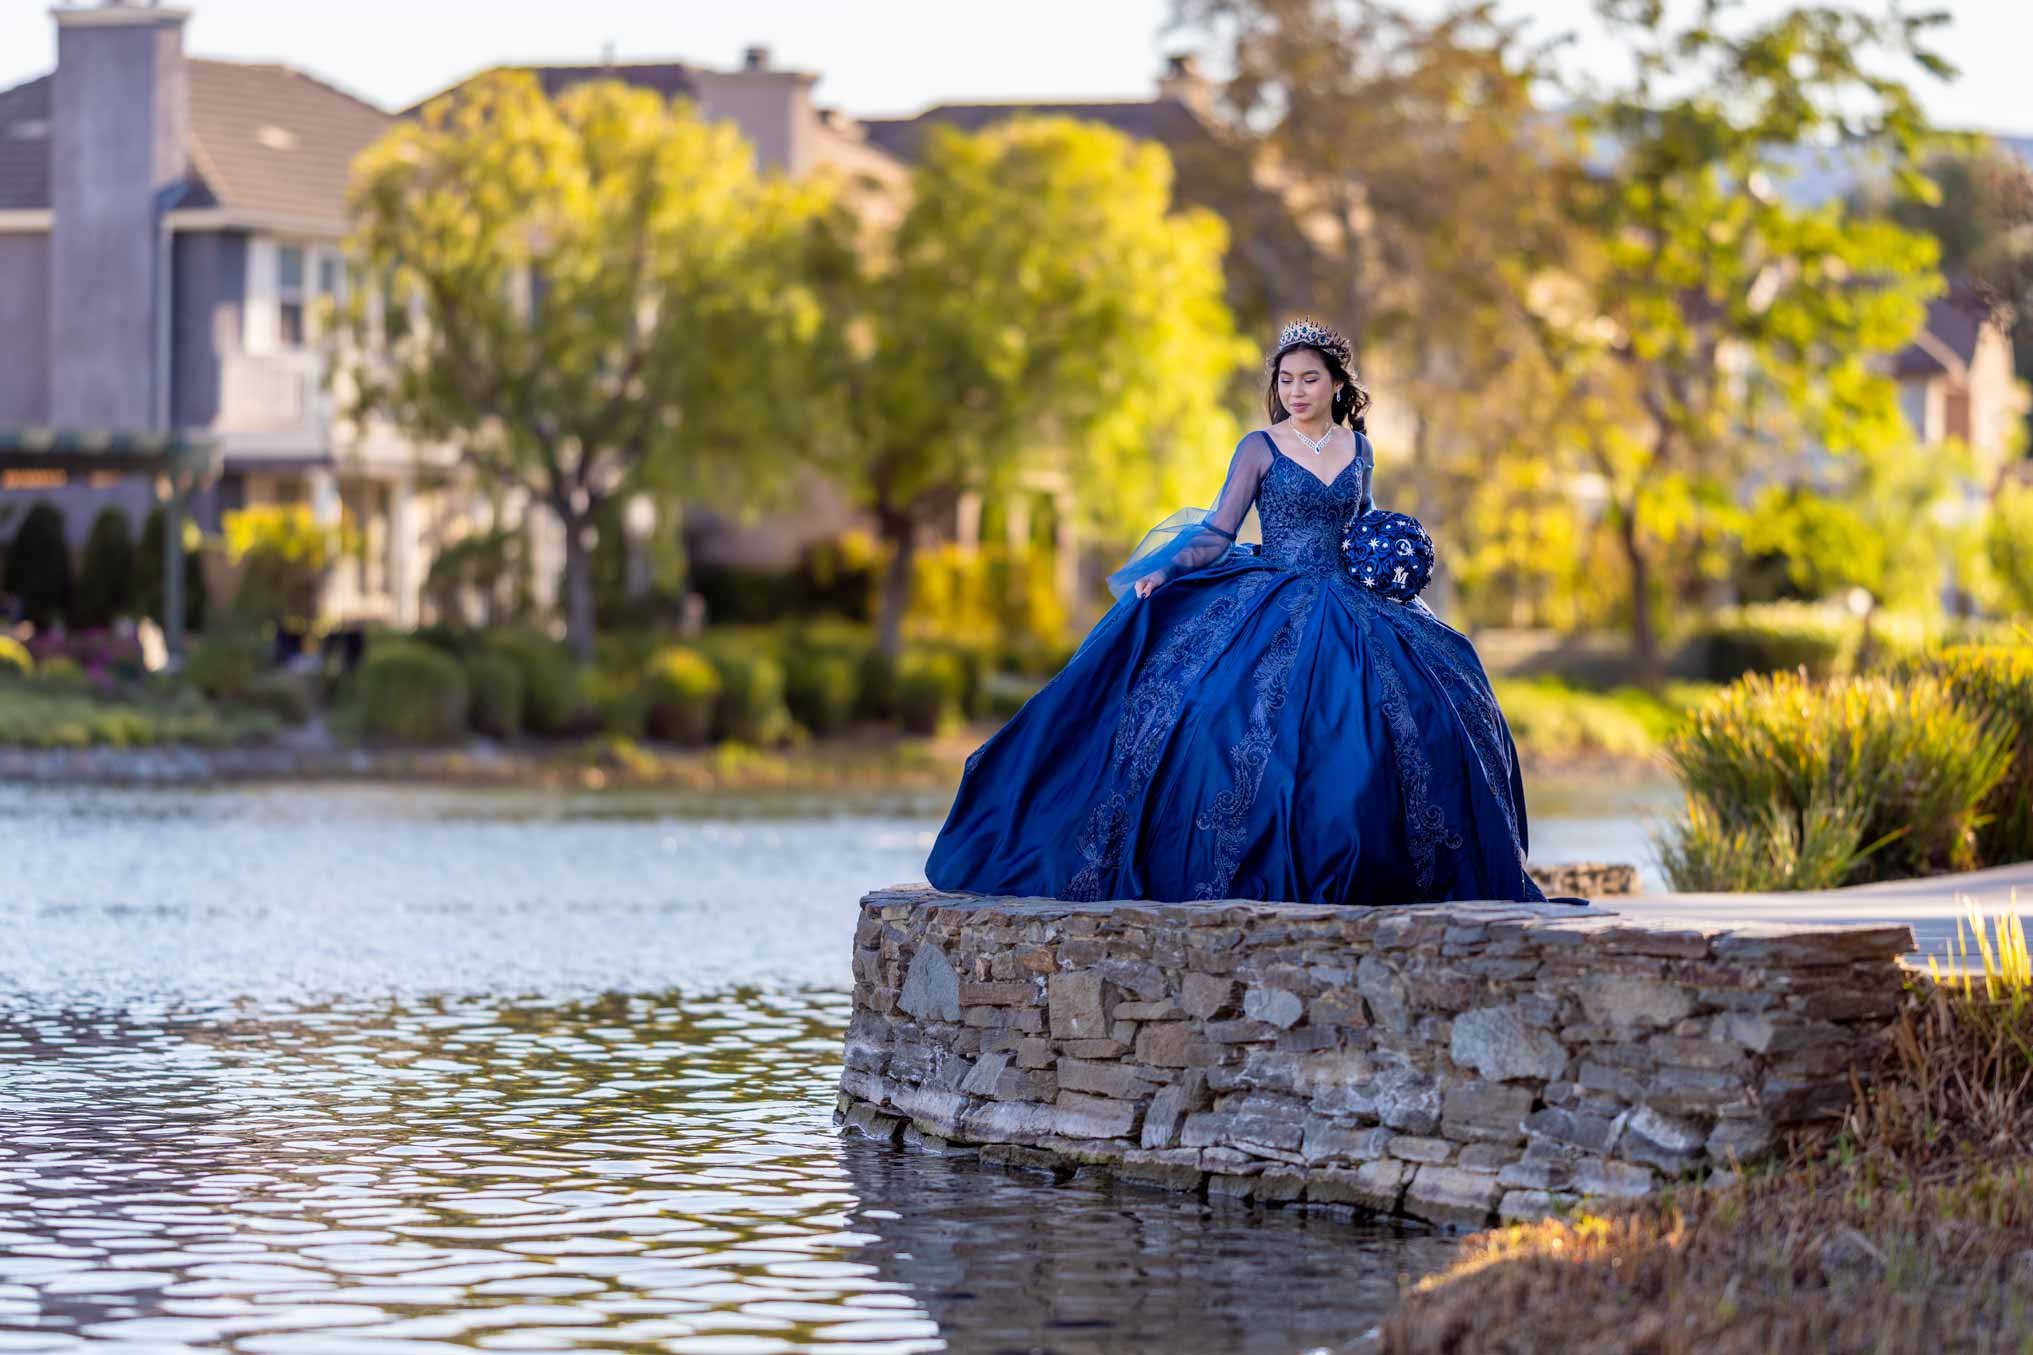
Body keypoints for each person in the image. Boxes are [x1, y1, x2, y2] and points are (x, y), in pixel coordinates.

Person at [924, 319, 1546, 906]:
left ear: (1336, 384)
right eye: (1285, 380)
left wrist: (1392, 568)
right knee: (1224, 718)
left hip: (1350, 599)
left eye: (1308, 379)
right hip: (1274, 593)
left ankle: (1390, 863)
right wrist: (1164, 570)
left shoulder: (1359, 448)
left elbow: (1362, 527)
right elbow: (1220, 530)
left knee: (1433, 693)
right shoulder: (1259, 447)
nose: (1295, 391)